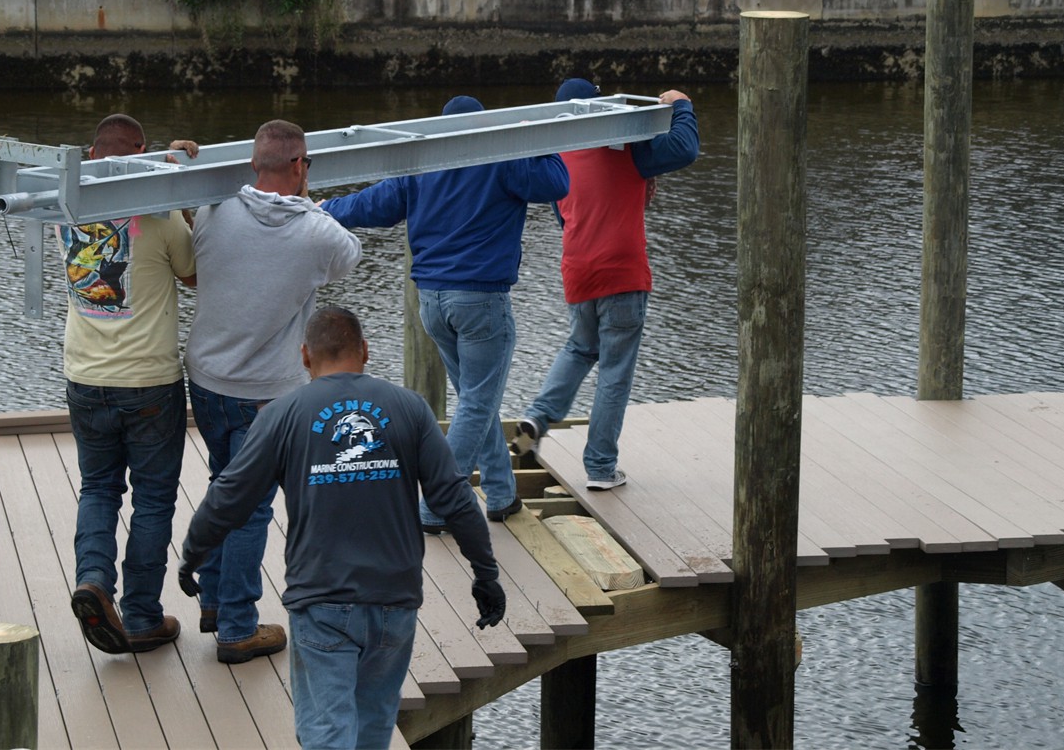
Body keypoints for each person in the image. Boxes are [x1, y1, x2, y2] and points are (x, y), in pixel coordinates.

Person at [179, 306, 506, 749]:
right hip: (395, 602)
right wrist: (485, 574)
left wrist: (193, 556)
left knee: (327, 737)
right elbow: (455, 499)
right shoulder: (409, 408)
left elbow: (229, 497)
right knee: (373, 733)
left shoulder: (283, 414)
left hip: (322, 602)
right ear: (365, 351)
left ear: (304, 357)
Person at [319, 95, 568, 532]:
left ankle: (502, 493)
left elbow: (374, 204)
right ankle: (435, 505)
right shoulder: (502, 154)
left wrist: (322, 211)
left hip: (432, 303)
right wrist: (534, 137)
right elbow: (557, 182)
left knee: (477, 397)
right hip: (480, 300)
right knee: (477, 401)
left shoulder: (424, 162)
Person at [184, 119, 362, 663]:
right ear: (299, 167)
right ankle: (238, 626)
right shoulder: (316, 232)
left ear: (252, 164)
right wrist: (310, 202)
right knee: (253, 506)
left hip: (206, 378)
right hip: (264, 393)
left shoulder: (215, 211)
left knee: (223, 486)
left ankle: (214, 601)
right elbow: (349, 255)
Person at [512, 79, 699, 490]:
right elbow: (684, 149)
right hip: (623, 272)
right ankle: (599, 466)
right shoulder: (626, 142)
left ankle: (538, 417)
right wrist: (681, 105)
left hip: (578, 270)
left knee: (580, 347)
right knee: (614, 371)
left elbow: (568, 217)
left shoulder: (556, 157)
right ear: (598, 109)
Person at [63, 113, 197, 654]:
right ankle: (142, 614)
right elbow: (195, 275)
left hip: (84, 378)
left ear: (93, 156)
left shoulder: (63, 213)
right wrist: (185, 184)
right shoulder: (163, 219)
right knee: (154, 499)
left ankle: (94, 581)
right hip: (149, 382)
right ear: (142, 152)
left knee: (98, 489)